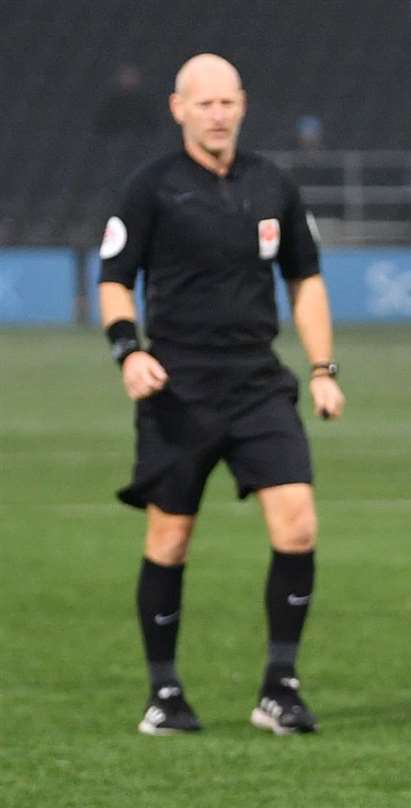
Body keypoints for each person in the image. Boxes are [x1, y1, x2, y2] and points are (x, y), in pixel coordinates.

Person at [99, 53, 343, 737]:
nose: (217, 114)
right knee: (170, 538)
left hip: (258, 384)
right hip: (178, 388)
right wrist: (129, 351)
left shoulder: (274, 185)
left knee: (297, 523)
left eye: (227, 102)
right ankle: (164, 693)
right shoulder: (150, 188)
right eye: (203, 103)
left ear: (242, 104)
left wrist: (323, 368)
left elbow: (306, 280)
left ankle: (280, 687)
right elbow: (115, 279)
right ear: (178, 107)